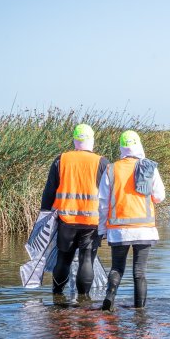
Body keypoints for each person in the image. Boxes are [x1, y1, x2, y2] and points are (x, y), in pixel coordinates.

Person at [99, 130, 165, 311]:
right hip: (144, 229)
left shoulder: (111, 169)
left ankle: (109, 299)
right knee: (140, 272)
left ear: (121, 147)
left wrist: (101, 230)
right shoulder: (149, 167)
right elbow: (160, 196)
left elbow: (103, 202)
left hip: (118, 229)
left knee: (117, 268)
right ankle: (140, 311)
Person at [40, 123, 109, 297]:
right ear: (92, 140)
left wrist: (44, 216)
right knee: (87, 259)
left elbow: (49, 191)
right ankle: (83, 300)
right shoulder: (101, 162)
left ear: (74, 140)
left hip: (66, 219)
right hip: (92, 221)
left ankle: (57, 295)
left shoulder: (61, 159)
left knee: (63, 259)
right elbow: (109, 194)